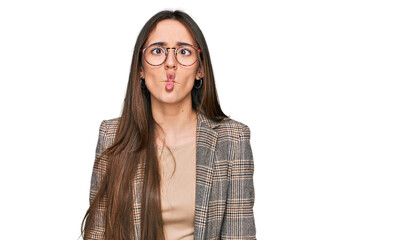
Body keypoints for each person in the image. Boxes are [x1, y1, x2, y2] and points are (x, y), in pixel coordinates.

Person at [82, 10, 256, 240]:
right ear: (140, 69)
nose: (170, 63)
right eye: (157, 51)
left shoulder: (232, 139)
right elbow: (97, 234)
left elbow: (239, 235)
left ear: (200, 70)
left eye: (184, 52)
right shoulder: (111, 135)